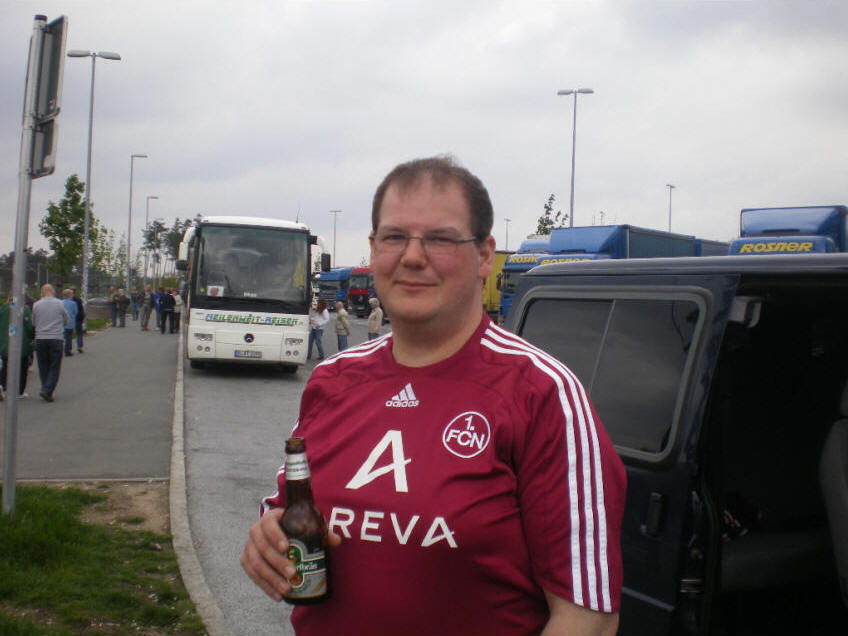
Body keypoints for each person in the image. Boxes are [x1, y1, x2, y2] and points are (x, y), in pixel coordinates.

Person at [241, 156, 626, 635]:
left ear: (484, 256)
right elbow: (285, 510)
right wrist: (268, 536)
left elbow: (588, 618)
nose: (412, 257)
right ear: (374, 249)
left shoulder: (543, 393)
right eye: (394, 237)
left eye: (441, 239)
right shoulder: (332, 380)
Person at [32, 284, 69, 402]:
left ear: (42, 292)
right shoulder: (60, 303)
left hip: (40, 338)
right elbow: (66, 319)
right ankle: (47, 390)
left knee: (43, 366)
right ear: (53, 292)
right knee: (54, 366)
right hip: (55, 337)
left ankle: (45, 388)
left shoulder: (36, 305)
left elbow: (34, 322)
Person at [0, 293, 34, 400]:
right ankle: (19, 391)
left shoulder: (3, 309)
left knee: (5, 366)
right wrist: (32, 336)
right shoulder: (24, 309)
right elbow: (29, 328)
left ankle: (2, 385)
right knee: (22, 368)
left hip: (5, 343)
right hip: (21, 344)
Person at [61, 289, 78, 356]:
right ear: (70, 295)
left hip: (61, 322)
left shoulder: (60, 302)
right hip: (70, 322)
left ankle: (61, 349)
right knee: (69, 337)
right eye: (72, 294)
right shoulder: (73, 303)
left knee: (62, 336)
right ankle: (67, 350)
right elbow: (75, 312)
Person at [71, 287, 85, 353]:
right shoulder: (78, 300)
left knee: (69, 334)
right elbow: (81, 310)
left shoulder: (66, 300)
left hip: (70, 319)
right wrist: (82, 318)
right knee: (79, 333)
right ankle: (80, 346)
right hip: (78, 318)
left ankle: (68, 348)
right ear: (75, 292)